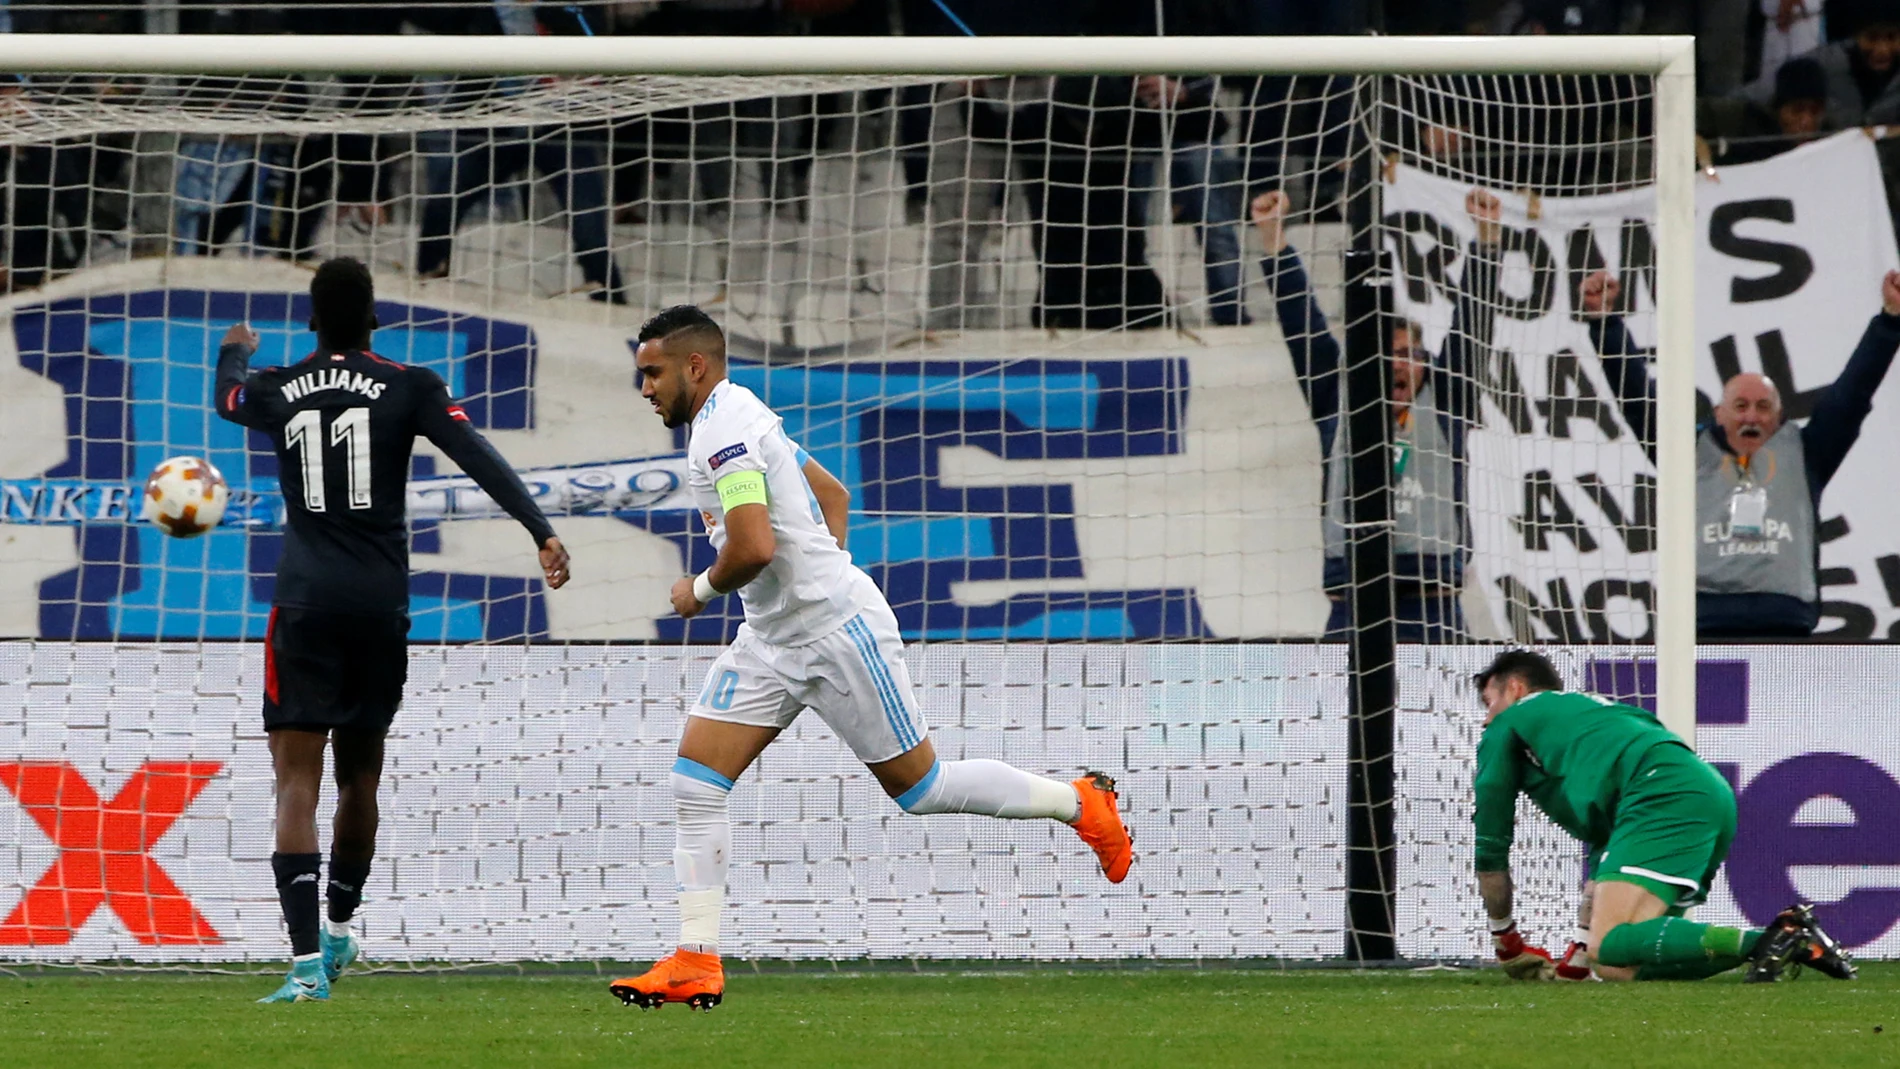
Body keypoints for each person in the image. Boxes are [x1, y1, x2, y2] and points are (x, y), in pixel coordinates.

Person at [610, 305, 1133, 1010]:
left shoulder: (725, 434)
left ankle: (1081, 802)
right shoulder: (734, 415)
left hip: (833, 634)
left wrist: (699, 589)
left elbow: (755, 546)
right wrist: (807, 581)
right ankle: (695, 958)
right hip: (772, 639)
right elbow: (833, 493)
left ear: (694, 366)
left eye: (652, 372)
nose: (643, 387)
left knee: (923, 790)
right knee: (696, 783)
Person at [214, 257, 572, 1003]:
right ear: (374, 317)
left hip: (305, 602)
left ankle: (307, 966)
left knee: (295, 782)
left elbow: (227, 399)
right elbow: (477, 455)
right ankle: (343, 922)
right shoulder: (411, 383)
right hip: (379, 605)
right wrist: (538, 528)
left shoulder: (276, 386)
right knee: (362, 774)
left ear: (312, 320)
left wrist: (235, 351)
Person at [1470, 648, 1855, 983]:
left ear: (1516, 688)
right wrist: (1578, 961)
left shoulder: (1510, 722)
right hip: (1702, 792)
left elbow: (1490, 844)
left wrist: (1506, 940)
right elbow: (1604, 860)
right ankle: (1792, 947)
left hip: (1662, 793)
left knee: (1611, 941)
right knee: (1619, 965)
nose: (1487, 719)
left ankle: (1772, 937)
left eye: (1489, 702)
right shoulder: (1584, 723)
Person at [1585, 269, 1900, 637]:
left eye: (1763, 406)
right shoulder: (1686, 452)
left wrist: (1890, 320)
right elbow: (1637, 398)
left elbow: (1851, 395)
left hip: (1785, 622)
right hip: (1701, 624)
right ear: (1719, 412)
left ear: (1779, 416)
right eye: (1741, 405)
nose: (1752, 415)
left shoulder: (1807, 451)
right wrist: (1605, 322)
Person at [1251, 188, 1499, 641]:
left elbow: (1473, 323)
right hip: (1352, 597)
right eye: (1388, 355)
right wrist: (1274, 241)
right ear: (1366, 361)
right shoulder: (1337, 396)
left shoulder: (1446, 401)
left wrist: (1485, 241)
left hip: (1431, 601)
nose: (1401, 364)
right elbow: (1301, 325)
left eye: (1410, 353)